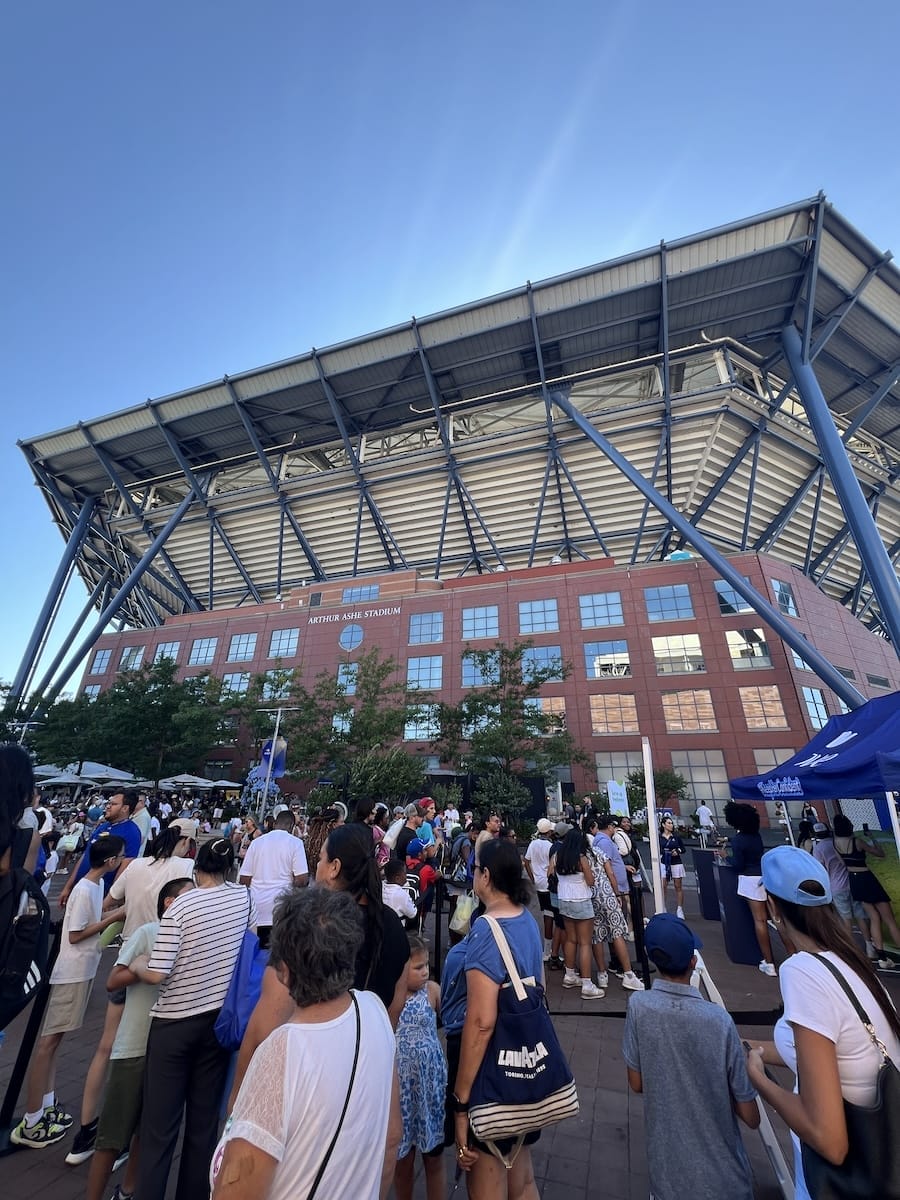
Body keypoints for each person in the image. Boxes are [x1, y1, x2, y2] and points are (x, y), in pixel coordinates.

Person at [211, 887, 400, 1200]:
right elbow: (391, 1137)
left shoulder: (281, 1051)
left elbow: (236, 1188)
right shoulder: (374, 1010)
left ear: (284, 972)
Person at [746, 845, 900, 1200]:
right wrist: (757, 1050)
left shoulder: (802, 971)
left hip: (845, 1178)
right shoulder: (853, 963)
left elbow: (829, 1139)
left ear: (772, 907)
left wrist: (759, 1079)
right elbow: (836, 1055)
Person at [230, 823, 411, 1107]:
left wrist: (236, 1109)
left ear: (334, 867)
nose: (317, 864)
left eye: (321, 858)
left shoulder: (309, 923)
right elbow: (393, 1012)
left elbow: (262, 1030)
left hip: (304, 1084)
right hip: (364, 1081)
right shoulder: (392, 926)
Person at [64, 824, 198, 1166]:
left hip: (125, 960)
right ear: (185, 842)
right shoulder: (185, 870)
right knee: (144, 1055)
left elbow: (109, 903)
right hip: (158, 965)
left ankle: (86, 1129)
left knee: (107, 1047)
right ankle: (125, 1138)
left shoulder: (135, 865)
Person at [131, 838, 256, 1200]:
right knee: (203, 1125)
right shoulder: (243, 899)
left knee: (159, 1127)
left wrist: (139, 965)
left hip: (174, 1021)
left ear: (196, 867)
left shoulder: (182, 906)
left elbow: (158, 973)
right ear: (230, 866)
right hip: (218, 1021)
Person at [623, 913, 759, 1200]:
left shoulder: (639, 1006)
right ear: (693, 962)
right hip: (726, 1180)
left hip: (667, 1179)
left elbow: (636, 1082)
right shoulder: (719, 1022)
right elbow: (751, 1115)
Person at [11, 836, 126, 1148]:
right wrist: (113, 918)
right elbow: (75, 934)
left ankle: (46, 1106)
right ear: (112, 860)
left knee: (56, 1041)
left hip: (84, 969)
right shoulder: (85, 889)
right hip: (72, 971)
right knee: (48, 1043)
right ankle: (32, 1120)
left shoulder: (95, 886)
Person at [86, 875, 194, 1200]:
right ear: (169, 903)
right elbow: (113, 980)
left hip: (168, 1050)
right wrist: (140, 968)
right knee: (112, 1132)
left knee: (146, 1131)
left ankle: (128, 1190)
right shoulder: (149, 933)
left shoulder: (193, 942)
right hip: (134, 1044)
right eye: (190, 898)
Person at [452, 838, 543, 1198]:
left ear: (486, 876)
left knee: (488, 1184)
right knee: (522, 1181)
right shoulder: (527, 920)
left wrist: (461, 1100)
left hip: (494, 1074)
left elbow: (481, 1022)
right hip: (527, 1067)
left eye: (476, 869)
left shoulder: (486, 932)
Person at [394, 934, 447, 1200]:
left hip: (429, 1088)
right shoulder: (393, 998)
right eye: (418, 967)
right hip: (402, 1090)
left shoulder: (433, 992)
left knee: (433, 1157)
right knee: (402, 1161)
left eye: (426, 965)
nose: (425, 971)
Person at [833, 812, 900, 967]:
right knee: (889, 920)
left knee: (874, 918)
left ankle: (882, 957)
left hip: (854, 880)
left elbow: (842, 863)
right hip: (867, 878)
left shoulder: (835, 843)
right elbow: (880, 853)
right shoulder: (857, 841)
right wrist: (872, 837)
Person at [58, 790, 142, 908]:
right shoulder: (103, 826)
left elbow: (125, 866)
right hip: (80, 887)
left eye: (113, 804)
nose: (108, 806)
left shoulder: (132, 832)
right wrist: (68, 886)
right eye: (109, 803)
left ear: (125, 808)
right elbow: (85, 856)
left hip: (99, 894)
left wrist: (109, 900)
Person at [239, 809, 309, 948]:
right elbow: (302, 880)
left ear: (275, 823)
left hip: (256, 911)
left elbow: (244, 879)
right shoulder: (295, 843)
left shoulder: (257, 843)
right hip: (280, 912)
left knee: (254, 957)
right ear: (292, 827)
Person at [585, 834, 644, 993]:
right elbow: (610, 873)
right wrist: (617, 892)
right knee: (617, 933)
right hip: (607, 894)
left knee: (596, 936)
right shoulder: (598, 852)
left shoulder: (581, 857)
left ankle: (602, 974)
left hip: (592, 896)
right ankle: (628, 974)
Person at [723, 802, 776, 976]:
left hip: (749, 881)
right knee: (777, 920)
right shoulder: (757, 836)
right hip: (764, 877)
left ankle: (769, 962)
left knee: (759, 921)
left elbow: (738, 864)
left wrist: (726, 857)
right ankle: (791, 954)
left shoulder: (738, 840)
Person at [553, 827, 605, 998]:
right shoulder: (581, 858)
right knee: (585, 943)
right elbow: (590, 881)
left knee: (571, 939)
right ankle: (587, 984)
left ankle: (569, 975)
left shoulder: (558, 856)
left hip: (564, 901)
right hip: (581, 901)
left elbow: (550, 873)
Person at [811, 822, 874, 955]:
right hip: (852, 882)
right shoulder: (838, 843)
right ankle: (869, 946)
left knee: (845, 918)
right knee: (860, 915)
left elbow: (819, 869)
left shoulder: (818, 848)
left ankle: (851, 948)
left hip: (835, 886)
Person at [523, 818, 555, 960]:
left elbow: (526, 861)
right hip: (549, 884)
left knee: (546, 914)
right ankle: (548, 949)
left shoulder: (533, 844)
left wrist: (533, 877)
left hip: (539, 883)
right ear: (549, 832)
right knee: (551, 916)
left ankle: (547, 948)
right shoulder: (550, 846)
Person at [658, 815, 686, 919]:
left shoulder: (676, 836)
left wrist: (677, 851)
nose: (671, 825)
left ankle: (680, 909)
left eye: (671, 823)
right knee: (663, 885)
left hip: (676, 862)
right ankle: (662, 907)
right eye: (669, 823)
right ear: (663, 825)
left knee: (678, 886)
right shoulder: (659, 837)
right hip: (664, 863)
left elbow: (683, 849)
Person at [383, 857, 417, 922]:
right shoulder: (401, 894)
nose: (406, 876)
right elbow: (412, 914)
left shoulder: (380, 887)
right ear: (397, 878)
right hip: (397, 929)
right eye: (404, 873)